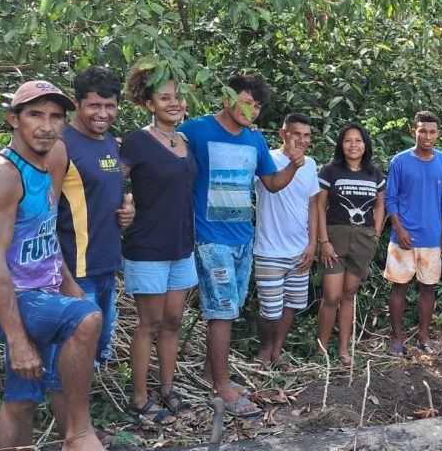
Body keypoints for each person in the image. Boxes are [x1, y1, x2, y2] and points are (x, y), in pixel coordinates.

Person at [0, 80, 104, 450]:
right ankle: (78, 433)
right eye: (35, 115)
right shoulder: (1, 175)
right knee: (86, 318)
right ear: (14, 119)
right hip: (3, 298)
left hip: (40, 292)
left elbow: (45, 229)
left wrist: (66, 279)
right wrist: (18, 339)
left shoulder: (49, 159)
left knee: (23, 399)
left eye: (56, 116)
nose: (47, 125)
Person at [179, 73, 306, 418]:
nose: (252, 110)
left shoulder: (255, 141)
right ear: (227, 98)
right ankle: (221, 388)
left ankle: (211, 373)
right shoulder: (195, 130)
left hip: (242, 238)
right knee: (220, 311)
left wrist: (293, 165)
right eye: (246, 101)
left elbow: (272, 183)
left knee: (229, 310)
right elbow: (165, 154)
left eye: (257, 106)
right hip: (209, 237)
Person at [118, 64, 199, 424]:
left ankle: (167, 389)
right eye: (164, 98)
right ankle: (138, 399)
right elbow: (110, 182)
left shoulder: (183, 140)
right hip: (148, 247)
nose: (174, 103)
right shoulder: (137, 141)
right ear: (149, 103)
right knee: (148, 324)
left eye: (177, 96)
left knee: (173, 321)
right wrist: (125, 206)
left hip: (181, 246)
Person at [47, 67, 134, 370]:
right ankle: (68, 418)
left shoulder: (110, 141)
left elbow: (102, 197)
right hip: (76, 270)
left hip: (107, 265)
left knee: (96, 353)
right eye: (94, 105)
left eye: (110, 106)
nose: (103, 113)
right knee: (72, 356)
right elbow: (44, 220)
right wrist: (65, 279)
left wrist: (127, 210)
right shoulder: (60, 147)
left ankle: (84, 415)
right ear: (76, 102)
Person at [252, 114, 321, 371]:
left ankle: (277, 352)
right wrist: (293, 163)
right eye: (296, 134)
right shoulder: (266, 158)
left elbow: (313, 205)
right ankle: (264, 350)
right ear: (283, 134)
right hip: (269, 248)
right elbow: (272, 186)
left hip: (299, 250)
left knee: (291, 304)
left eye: (306, 135)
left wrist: (312, 243)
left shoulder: (311, 164)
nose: (301, 140)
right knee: (269, 309)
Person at [383, 111, 442, 357]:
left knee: (428, 288)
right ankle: (397, 339)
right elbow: (389, 198)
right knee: (399, 289)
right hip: (403, 238)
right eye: (422, 130)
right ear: (414, 131)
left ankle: (424, 337)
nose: (427, 136)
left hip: (432, 238)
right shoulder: (400, 161)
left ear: (438, 134)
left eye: (432, 131)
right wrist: (398, 228)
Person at [315, 122, 386, 366]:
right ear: (341, 145)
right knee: (332, 296)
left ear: (365, 145)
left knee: (348, 294)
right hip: (334, 238)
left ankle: (344, 350)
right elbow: (319, 207)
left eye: (358, 140)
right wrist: (323, 241)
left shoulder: (374, 173)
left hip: (363, 240)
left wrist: (375, 235)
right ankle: (321, 350)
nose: (353, 145)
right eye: (348, 140)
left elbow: (379, 206)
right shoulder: (330, 171)